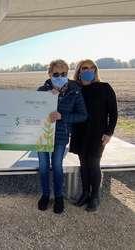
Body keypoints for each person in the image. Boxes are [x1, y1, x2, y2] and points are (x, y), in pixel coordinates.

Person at [37, 59, 87, 214]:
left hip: (61, 136)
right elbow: (31, 111)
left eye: (64, 73)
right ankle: (45, 194)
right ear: (50, 74)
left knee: (57, 166)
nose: (60, 76)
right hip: (42, 135)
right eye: (56, 74)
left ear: (68, 73)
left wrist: (62, 116)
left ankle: (58, 197)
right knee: (44, 167)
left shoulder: (75, 90)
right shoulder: (41, 90)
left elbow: (82, 115)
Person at [70, 59, 118, 211]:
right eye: (85, 68)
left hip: (97, 134)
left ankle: (95, 197)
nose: (88, 70)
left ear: (96, 71)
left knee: (94, 163)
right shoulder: (74, 88)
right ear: (79, 71)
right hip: (79, 132)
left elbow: (114, 113)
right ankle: (85, 193)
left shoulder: (105, 88)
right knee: (83, 164)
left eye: (92, 68)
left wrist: (109, 132)